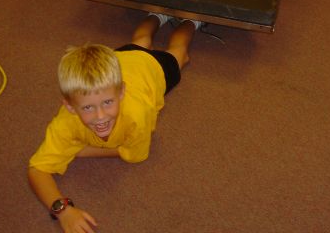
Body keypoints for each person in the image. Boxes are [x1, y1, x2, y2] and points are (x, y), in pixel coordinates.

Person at [28, 14, 202, 232]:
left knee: (178, 52)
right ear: (70, 107)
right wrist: (62, 210)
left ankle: (191, 21)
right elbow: (36, 169)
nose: (101, 116)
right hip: (118, 58)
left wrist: (82, 151)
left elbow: (134, 154)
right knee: (140, 40)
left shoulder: (137, 115)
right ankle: (157, 14)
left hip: (152, 68)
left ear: (121, 93)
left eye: (108, 103)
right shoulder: (65, 122)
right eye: (88, 107)